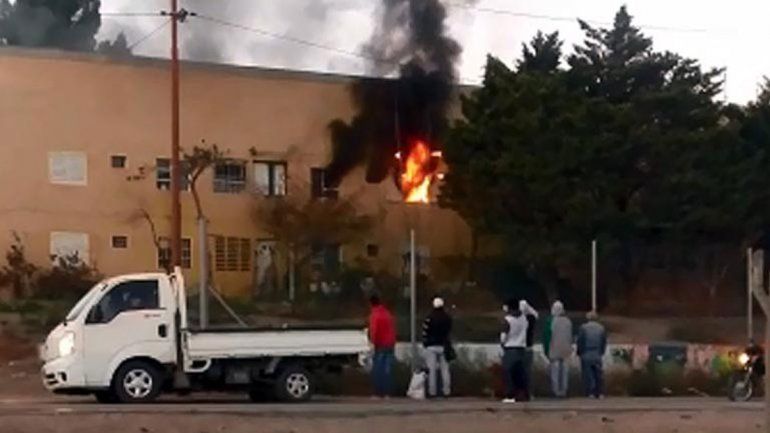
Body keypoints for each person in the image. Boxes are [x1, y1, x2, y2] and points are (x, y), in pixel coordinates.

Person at [422, 296, 453, 398]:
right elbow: (449, 331)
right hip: (443, 345)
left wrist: (425, 343)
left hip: (431, 346)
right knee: (445, 370)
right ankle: (446, 391)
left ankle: (432, 392)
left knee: (432, 370)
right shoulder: (447, 318)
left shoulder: (429, 317)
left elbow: (425, 331)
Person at [542, 301, 573, 398]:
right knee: (564, 371)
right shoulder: (568, 321)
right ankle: (564, 390)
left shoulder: (550, 321)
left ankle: (556, 391)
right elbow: (570, 336)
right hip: (566, 350)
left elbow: (547, 337)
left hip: (554, 349)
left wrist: (546, 350)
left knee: (555, 372)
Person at [500, 299, 529, 403]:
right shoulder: (523, 319)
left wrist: (502, 344)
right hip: (521, 347)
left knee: (508, 372)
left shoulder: (507, 320)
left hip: (510, 347)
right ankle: (523, 394)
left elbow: (503, 336)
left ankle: (510, 395)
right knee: (520, 373)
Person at [368, 294, 397, 398]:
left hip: (380, 345)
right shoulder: (387, 313)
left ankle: (377, 392)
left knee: (378, 369)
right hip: (390, 344)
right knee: (387, 370)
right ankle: (387, 393)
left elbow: (374, 330)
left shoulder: (375, 315)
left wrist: (372, 343)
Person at [577, 311, 607, 399]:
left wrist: (579, 352)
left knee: (588, 374)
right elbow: (603, 341)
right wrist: (601, 351)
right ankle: (600, 392)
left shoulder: (583, 328)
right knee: (598, 373)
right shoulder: (601, 328)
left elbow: (581, 341)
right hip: (597, 353)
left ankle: (591, 392)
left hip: (586, 353)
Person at [519, 300, 538, 399]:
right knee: (528, 372)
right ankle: (528, 393)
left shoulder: (518, 319)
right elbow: (535, 314)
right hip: (529, 347)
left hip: (519, 347)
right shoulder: (531, 319)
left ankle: (519, 392)